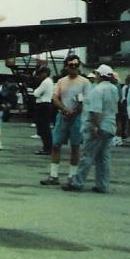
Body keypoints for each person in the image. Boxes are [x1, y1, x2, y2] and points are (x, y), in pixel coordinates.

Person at [66, 65, 119, 193]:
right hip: (110, 125)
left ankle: (77, 183)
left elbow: (96, 111)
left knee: (88, 156)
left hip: (98, 126)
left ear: (99, 75)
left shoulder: (97, 90)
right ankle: (102, 185)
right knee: (103, 157)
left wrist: (96, 126)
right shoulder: (114, 89)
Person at [40, 55, 90, 187]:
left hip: (77, 118)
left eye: (75, 65)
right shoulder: (61, 81)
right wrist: (64, 109)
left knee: (75, 146)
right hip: (62, 116)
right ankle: (54, 175)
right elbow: (55, 97)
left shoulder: (85, 82)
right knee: (56, 145)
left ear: (79, 66)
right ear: (66, 66)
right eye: (70, 65)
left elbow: (87, 100)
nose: (73, 68)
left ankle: (72, 176)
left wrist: (74, 111)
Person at [32, 67, 55, 155]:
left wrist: (36, 91)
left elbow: (36, 93)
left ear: (45, 73)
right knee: (44, 128)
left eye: (41, 73)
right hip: (45, 105)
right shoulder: (48, 81)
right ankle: (47, 147)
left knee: (44, 128)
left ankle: (47, 148)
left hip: (43, 105)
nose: (39, 75)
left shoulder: (46, 82)